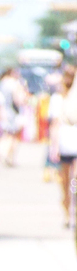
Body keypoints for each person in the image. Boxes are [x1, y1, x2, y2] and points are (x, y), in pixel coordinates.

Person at [49, 65, 77, 228]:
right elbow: (54, 123)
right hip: (65, 142)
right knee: (66, 181)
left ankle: (72, 212)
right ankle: (67, 212)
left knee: (72, 179)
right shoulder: (58, 98)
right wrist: (54, 147)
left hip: (69, 142)